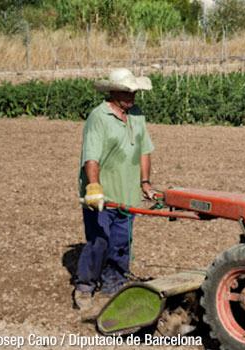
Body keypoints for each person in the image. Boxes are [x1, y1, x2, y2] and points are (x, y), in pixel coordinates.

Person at [74, 68, 156, 310]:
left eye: (134, 92)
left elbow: (144, 151)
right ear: (112, 92)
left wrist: (145, 183)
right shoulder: (98, 117)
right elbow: (91, 157)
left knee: (122, 242)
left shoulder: (137, 115)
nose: (132, 97)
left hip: (127, 194)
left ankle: (114, 283)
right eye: (126, 92)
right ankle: (84, 286)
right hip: (103, 195)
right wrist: (93, 187)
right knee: (99, 241)